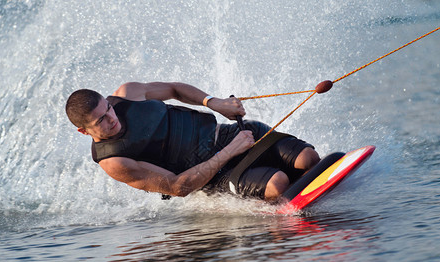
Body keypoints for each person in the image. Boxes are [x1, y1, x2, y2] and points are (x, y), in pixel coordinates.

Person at [66, 82, 320, 202]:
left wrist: (215, 103)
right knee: (278, 183)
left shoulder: (129, 94)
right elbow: (178, 186)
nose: (112, 118)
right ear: (83, 131)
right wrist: (231, 151)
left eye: (108, 109)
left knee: (309, 159)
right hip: (214, 174)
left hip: (231, 134)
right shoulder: (114, 161)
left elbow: (175, 90)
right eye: (100, 121)